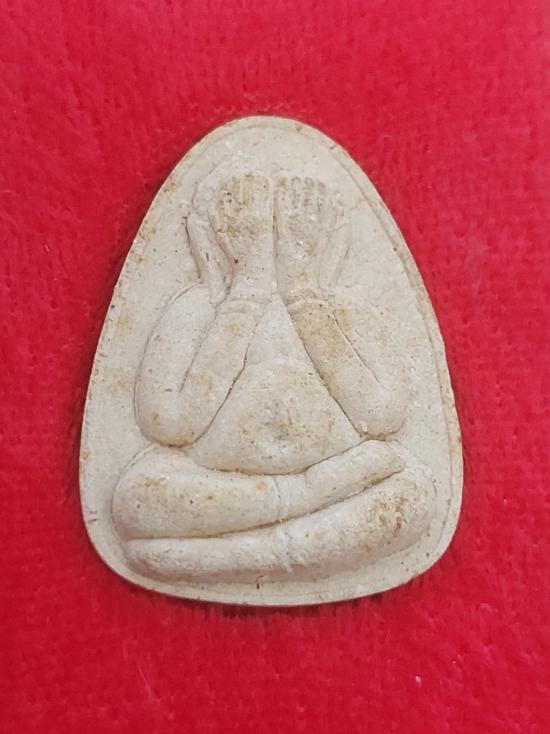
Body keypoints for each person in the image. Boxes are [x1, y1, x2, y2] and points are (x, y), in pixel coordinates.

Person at [112, 172, 435, 582]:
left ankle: (228, 557)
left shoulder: (345, 309)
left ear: (328, 237)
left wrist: (303, 294)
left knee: (413, 495)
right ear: (212, 239)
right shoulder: (196, 307)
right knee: (136, 499)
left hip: (338, 473)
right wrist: (245, 295)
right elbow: (169, 424)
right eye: (250, 230)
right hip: (235, 483)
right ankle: (292, 532)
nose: (271, 241)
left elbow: (383, 415)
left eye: (293, 228)